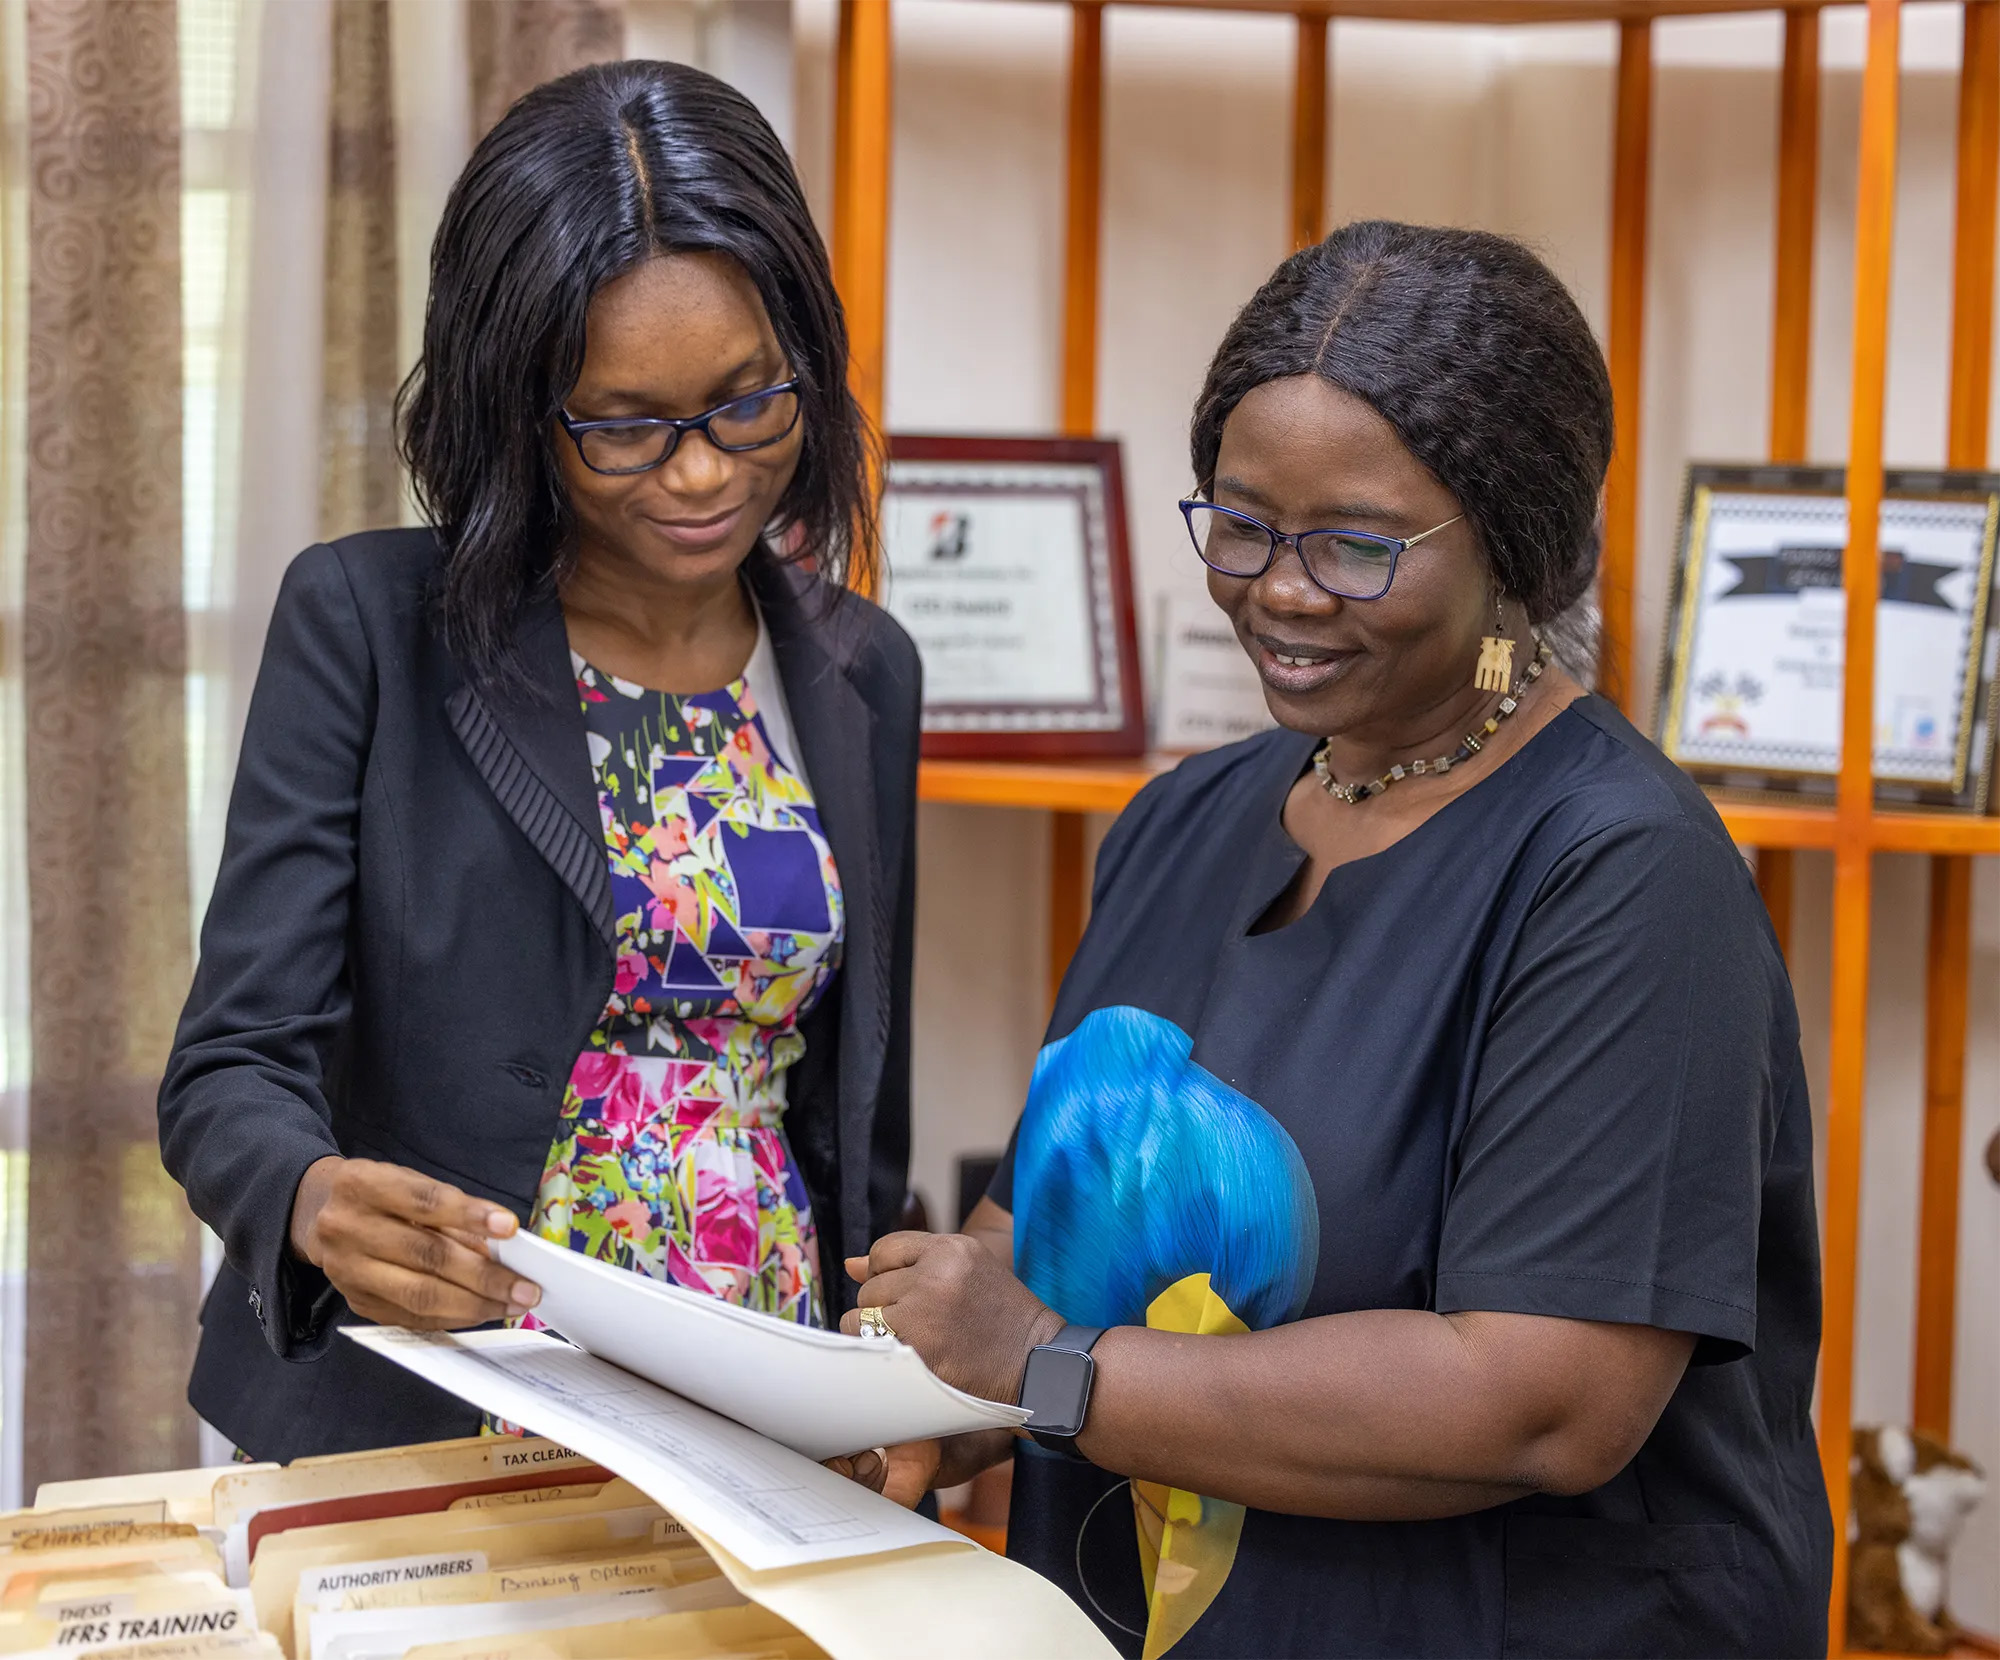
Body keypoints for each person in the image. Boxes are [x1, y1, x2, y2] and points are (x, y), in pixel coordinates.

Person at [833, 222, 1832, 1659]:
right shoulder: (1186, 822)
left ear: (1520, 549)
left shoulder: (1625, 876)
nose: (1283, 590)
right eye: (1241, 524)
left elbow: (1541, 1399)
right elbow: (1058, 1220)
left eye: (1358, 546)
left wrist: (1046, 1369)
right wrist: (923, 1385)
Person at [158, 60, 920, 1461]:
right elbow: (229, 1067)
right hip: (442, 1396)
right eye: (624, 425)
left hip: (761, 1410)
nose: (700, 474)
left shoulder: (863, 669)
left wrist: (884, 1375)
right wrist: (314, 1195)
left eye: (748, 404)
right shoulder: (369, 628)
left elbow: (854, 1116)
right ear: (518, 410)